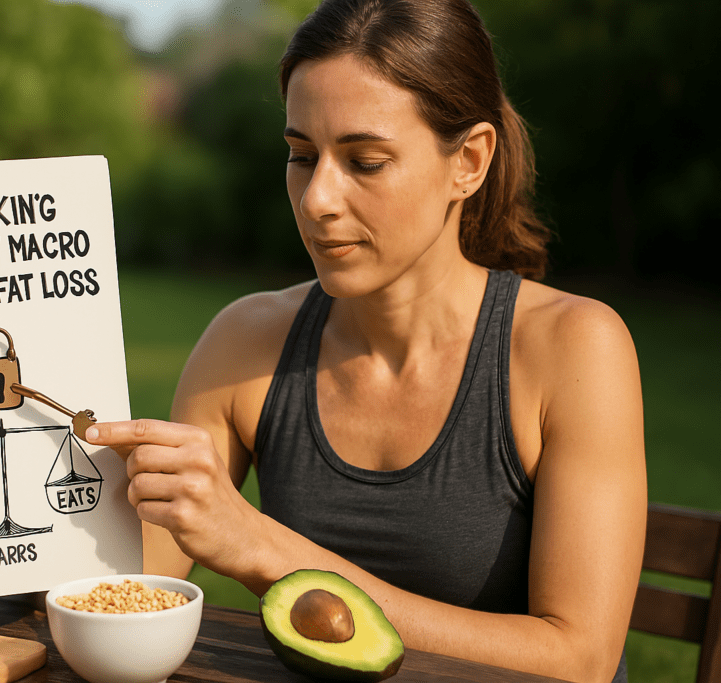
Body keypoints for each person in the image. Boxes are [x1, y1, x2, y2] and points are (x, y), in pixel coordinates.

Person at [85, 1, 647, 681]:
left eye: (366, 161)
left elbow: (578, 659)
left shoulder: (574, 349)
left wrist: (262, 545)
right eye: (300, 155)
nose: (317, 197)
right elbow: (124, 589)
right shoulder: (244, 343)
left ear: (468, 161)